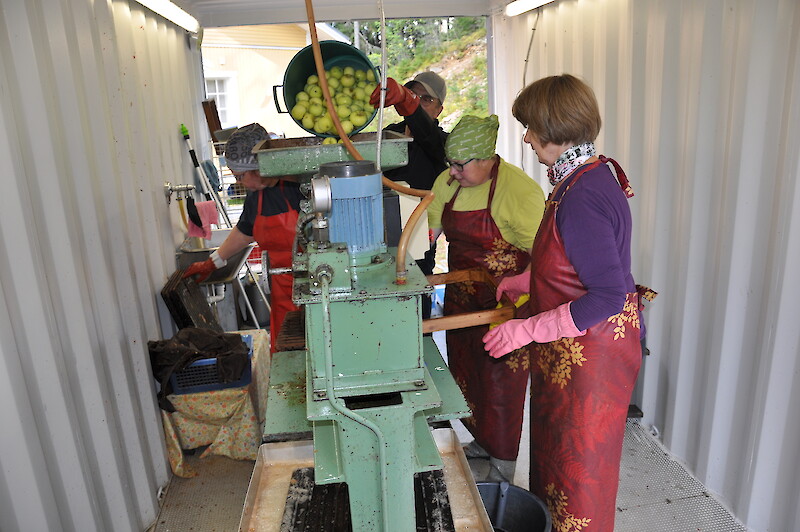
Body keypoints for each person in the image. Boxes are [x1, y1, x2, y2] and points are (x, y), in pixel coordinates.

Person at [483, 74, 652, 531]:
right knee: (556, 458)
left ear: (554, 133)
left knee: (580, 474)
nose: (526, 137)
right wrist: (529, 277)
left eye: (531, 129)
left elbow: (607, 295)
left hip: (591, 356)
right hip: (573, 352)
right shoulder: (587, 173)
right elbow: (580, 258)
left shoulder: (582, 196)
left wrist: (525, 328)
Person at [427, 114, 546, 482]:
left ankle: (503, 465)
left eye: (461, 165)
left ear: (486, 160)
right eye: (450, 164)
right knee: (466, 375)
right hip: (462, 300)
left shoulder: (519, 192)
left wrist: (520, 299)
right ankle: (479, 443)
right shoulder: (449, 182)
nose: (453, 172)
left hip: (506, 305)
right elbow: (429, 222)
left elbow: (545, 256)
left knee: (499, 386)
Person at [183, 123, 304, 354]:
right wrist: (213, 261)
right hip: (281, 291)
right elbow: (244, 232)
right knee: (286, 352)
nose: (239, 182)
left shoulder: (297, 187)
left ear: (257, 168)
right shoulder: (255, 199)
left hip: (311, 284)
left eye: (240, 176)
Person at [370, 71, 450, 315]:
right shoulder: (388, 136)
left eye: (427, 99)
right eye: (414, 95)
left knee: (417, 311)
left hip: (419, 241)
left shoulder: (443, 142)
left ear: (439, 110)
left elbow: (428, 136)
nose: (418, 102)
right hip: (378, 239)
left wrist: (409, 103)